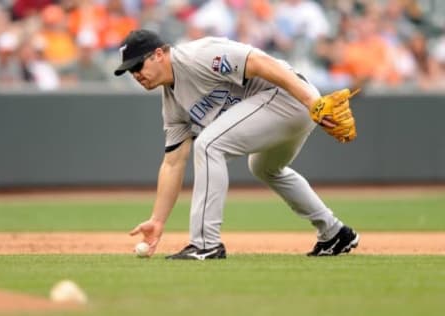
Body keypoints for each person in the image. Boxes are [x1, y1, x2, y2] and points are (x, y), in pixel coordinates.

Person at [117, 29, 359, 259]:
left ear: (159, 54)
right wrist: (157, 220)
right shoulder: (173, 105)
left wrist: (310, 101)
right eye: (130, 71)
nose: (136, 74)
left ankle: (205, 244)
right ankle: (335, 233)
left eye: (138, 65)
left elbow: (260, 62)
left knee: (209, 145)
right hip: (289, 108)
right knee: (264, 168)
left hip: (292, 97)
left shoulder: (197, 56)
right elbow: (173, 162)